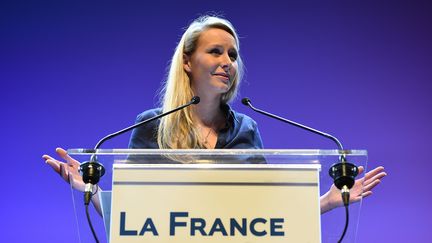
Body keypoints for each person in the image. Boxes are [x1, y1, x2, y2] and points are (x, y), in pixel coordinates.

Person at [43, 15, 386, 215]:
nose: (228, 61)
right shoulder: (151, 126)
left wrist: (327, 201)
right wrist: (88, 189)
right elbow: (130, 213)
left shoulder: (247, 129)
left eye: (233, 54)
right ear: (188, 62)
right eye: (216, 51)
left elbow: (266, 216)